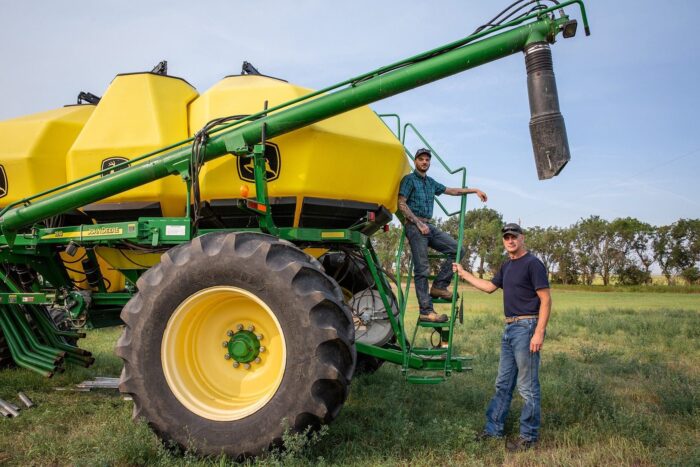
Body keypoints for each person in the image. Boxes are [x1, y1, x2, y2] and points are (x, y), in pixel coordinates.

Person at [452, 222, 551, 452]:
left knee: (527, 386)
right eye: (506, 237)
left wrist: (539, 332)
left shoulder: (533, 264)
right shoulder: (507, 266)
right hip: (509, 329)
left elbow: (545, 299)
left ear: (522, 238)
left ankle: (528, 437)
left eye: (514, 236)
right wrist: (464, 272)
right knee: (503, 383)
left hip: (527, 327)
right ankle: (493, 430)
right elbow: (488, 287)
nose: (510, 240)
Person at [398, 147, 487, 323]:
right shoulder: (408, 180)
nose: (424, 162)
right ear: (415, 161)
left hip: (428, 226)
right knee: (422, 269)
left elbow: (452, 191)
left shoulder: (430, 183)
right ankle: (426, 311)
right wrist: (417, 223)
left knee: (458, 250)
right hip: (414, 226)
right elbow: (401, 204)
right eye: (421, 159)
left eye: (427, 160)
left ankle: (439, 286)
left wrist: (474, 190)